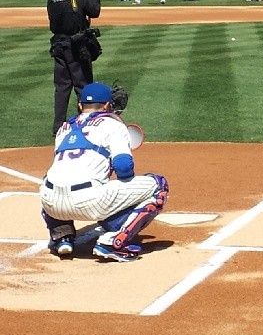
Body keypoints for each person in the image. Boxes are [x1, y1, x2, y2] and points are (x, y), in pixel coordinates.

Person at [40, 82, 169, 262]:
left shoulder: (64, 128)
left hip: (51, 204)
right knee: (158, 185)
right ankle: (113, 241)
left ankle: (62, 237)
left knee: (50, 179)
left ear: (80, 106)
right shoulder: (113, 125)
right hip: (89, 202)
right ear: (108, 106)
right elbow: (124, 169)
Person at [47, 0, 102, 136]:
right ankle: (84, 123)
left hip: (58, 44)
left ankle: (58, 127)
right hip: (77, 46)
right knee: (82, 85)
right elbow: (95, 11)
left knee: (62, 87)